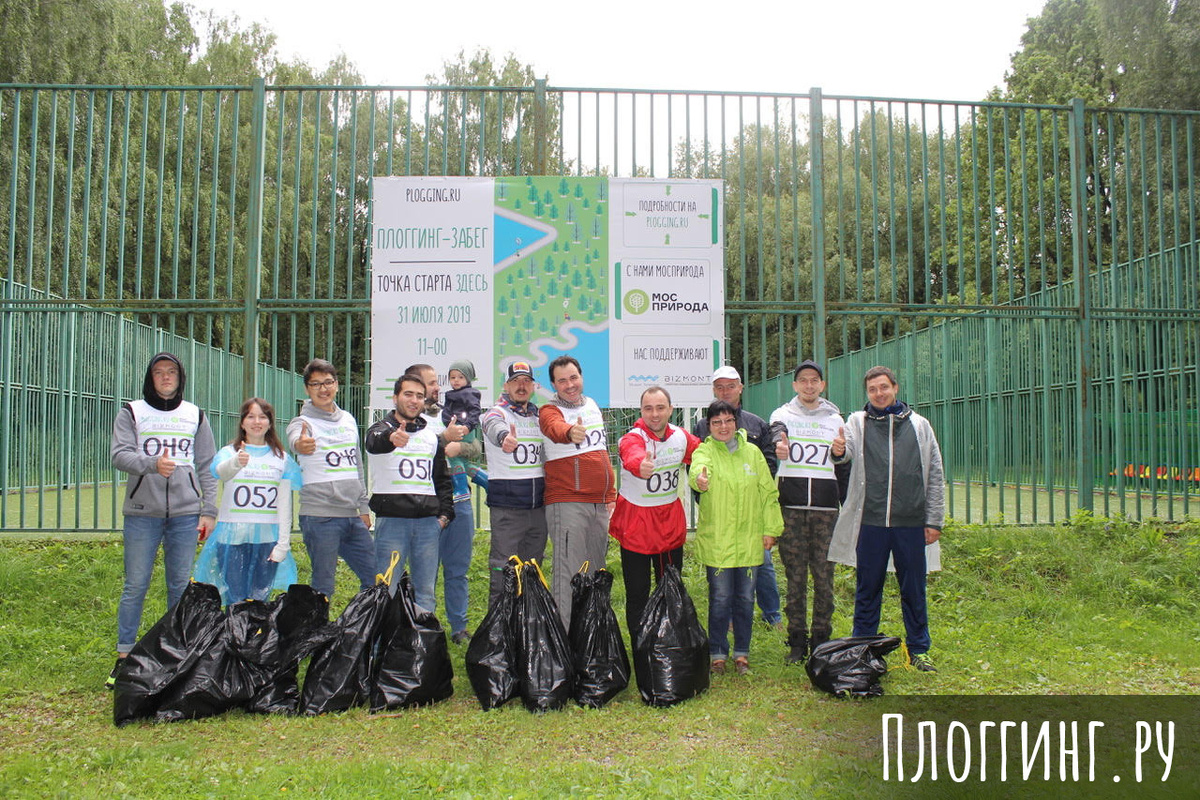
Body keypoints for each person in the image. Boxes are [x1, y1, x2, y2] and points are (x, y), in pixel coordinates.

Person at [108, 352, 217, 688]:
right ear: (150, 378)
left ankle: (175, 655)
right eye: (159, 372)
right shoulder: (132, 411)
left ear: (180, 377)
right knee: (135, 585)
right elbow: (118, 454)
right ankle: (124, 657)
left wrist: (209, 510)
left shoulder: (194, 415)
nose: (166, 377)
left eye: (171, 372)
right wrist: (152, 464)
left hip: (185, 515)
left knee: (179, 587)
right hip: (142, 513)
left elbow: (207, 467)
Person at [829, 365, 945, 672]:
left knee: (914, 589)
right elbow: (845, 452)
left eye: (883, 387)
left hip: (911, 523)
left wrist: (933, 520)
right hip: (871, 522)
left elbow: (934, 473)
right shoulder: (858, 421)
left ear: (895, 387)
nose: (879, 394)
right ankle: (862, 649)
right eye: (872, 389)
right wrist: (837, 450)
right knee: (868, 588)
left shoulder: (920, 425)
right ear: (867, 393)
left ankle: (919, 650)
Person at [689, 400, 783, 677]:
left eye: (728, 421)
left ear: (736, 423)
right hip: (718, 541)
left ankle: (742, 653)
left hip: (750, 541)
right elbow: (698, 471)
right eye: (716, 422)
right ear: (709, 426)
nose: (723, 427)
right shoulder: (704, 451)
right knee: (719, 598)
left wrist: (771, 529)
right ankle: (717, 653)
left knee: (745, 598)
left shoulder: (752, 454)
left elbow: (768, 493)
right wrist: (699, 480)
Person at [769, 359, 850, 664]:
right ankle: (796, 641)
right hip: (792, 509)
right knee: (795, 579)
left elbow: (843, 460)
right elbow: (775, 432)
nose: (808, 385)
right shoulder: (783, 414)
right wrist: (778, 442)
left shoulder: (835, 419)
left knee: (824, 578)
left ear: (822, 384)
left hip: (825, 512)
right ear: (795, 385)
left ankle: (821, 639)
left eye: (814, 380)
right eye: (803, 380)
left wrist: (841, 453)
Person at [609, 386, 700, 639]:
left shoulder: (681, 436)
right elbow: (631, 453)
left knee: (670, 588)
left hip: (668, 526)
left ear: (670, 409)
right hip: (637, 528)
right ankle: (641, 646)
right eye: (648, 408)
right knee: (638, 592)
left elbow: (703, 454)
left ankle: (668, 643)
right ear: (641, 411)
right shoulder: (632, 437)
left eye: (660, 408)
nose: (655, 414)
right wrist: (641, 464)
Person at [193, 398, 301, 606]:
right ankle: (235, 637)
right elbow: (220, 473)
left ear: (270, 422)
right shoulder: (229, 453)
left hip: (267, 540)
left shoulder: (281, 458)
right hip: (232, 538)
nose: (256, 422)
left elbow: (284, 505)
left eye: (262, 417)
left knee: (260, 598)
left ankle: (257, 637)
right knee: (235, 596)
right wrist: (236, 463)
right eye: (250, 416)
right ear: (242, 422)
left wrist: (283, 543)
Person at [364, 373, 454, 612]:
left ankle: (421, 647)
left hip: (427, 526)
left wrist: (443, 517)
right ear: (395, 398)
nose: (414, 401)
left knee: (425, 593)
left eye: (419, 396)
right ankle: (379, 649)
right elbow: (374, 442)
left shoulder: (431, 438)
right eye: (408, 394)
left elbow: (441, 480)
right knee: (385, 591)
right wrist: (392, 437)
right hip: (392, 524)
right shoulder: (379, 429)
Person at [286, 358, 375, 600]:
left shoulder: (348, 419)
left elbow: (356, 464)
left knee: (375, 577)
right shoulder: (302, 423)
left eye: (328, 382)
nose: (323, 389)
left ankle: (365, 629)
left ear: (336, 385)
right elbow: (295, 439)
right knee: (323, 586)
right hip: (320, 517)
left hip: (352, 516)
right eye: (316, 384)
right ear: (307, 389)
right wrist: (300, 444)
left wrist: (363, 506)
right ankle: (318, 635)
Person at [538, 355, 616, 624]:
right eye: (562, 381)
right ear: (553, 385)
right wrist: (570, 431)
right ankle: (564, 643)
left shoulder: (592, 404)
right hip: (567, 502)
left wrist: (610, 495)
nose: (569, 385)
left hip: (599, 504)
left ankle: (590, 638)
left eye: (573, 378)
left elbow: (601, 451)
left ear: (581, 377)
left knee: (595, 571)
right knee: (567, 574)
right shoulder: (549, 410)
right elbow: (554, 428)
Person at [406, 362, 477, 643]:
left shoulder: (450, 413)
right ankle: (424, 625)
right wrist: (442, 440)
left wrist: (461, 446)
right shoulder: (407, 420)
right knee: (424, 572)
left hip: (460, 500)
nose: (438, 388)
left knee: (457, 570)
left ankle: (459, 627)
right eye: (432, 383)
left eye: (438, 382)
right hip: (426, 506)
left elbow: (475, 449)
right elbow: (412, 450)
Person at [480, 361, 547, 604]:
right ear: (506, 385)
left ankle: (527, 625)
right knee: (504, 572)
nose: (521, 386)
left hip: (538, 509)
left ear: (533, 386)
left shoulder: (539, 415)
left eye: (526, 381)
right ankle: (499, 634)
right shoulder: (497, 412)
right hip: (508, 510)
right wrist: (503, 437)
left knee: (532, 571)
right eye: (515, 381)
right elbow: (491, 424)